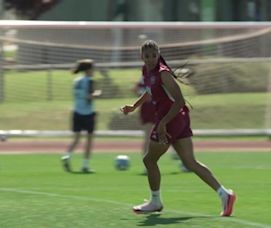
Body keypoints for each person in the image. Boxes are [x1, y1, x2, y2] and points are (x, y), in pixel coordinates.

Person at [120, 40, 236, 216]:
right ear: (141, 57)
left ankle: (155, 201)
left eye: (153, 55)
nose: (151, 59)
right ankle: (225, 194)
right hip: (177, 119)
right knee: (190, 162)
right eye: (147, 56)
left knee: (149, 161)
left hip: (171, 120)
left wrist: (163, 124)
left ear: (158, 54)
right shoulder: (148, 72)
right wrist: (134, 106)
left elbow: (179, 101)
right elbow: (150, 91)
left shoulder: (163, 73)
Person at [134, 78, 189, 173]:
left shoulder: (160, 74)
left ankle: (184, 161)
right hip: (149, 108)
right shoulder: (147, 77)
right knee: (148, 137)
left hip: (162, 107)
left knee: (172, 135)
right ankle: (148, 166)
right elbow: (140, 91)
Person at [62, 59, 101, 173]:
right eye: (93, 68)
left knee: (77, 139)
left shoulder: (77, 81)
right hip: (88, 113)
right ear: (89, 70)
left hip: (76, 111)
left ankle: (66, 155)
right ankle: (85, 165)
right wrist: (98, 93)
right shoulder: (90, 81)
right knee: (89, 140)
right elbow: (89, 97)